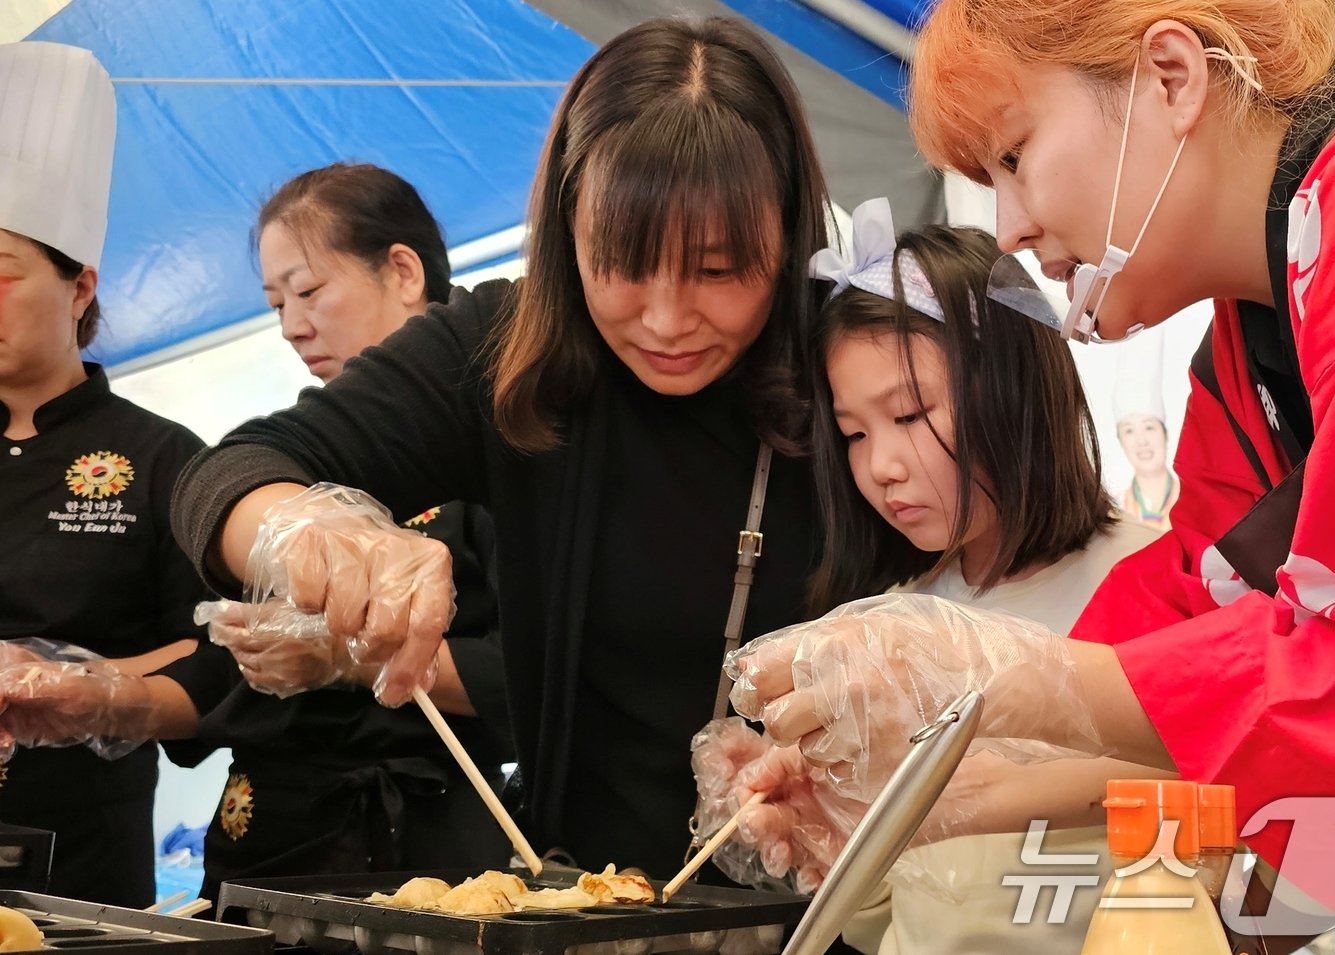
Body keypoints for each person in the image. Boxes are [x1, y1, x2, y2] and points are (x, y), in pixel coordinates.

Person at [724, 0, 1335, 943]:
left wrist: (999, 675)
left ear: (1172, 76)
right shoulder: (1243, 354)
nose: (1006, 229)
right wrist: (909, 787)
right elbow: (1197, 621)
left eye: (1013, 154)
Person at [166, 16, 831, 880]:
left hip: (831, 907)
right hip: (581, 900)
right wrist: (312, 531)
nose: (667, 319)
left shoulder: (852, 372)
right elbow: (226, 472)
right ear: (567, 230)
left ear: (786, 242)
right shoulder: (507, 349)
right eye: (622, 264)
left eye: (716, 269)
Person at [692, 202, 1165, 955]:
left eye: (909, 413)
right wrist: (825, 822)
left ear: (1013, 384)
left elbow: (1267, 843)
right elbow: (884, 916)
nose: (879, 465)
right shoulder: (888, 630)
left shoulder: (1160, 579)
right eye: (852, 432)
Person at [153, 162, 514, 896]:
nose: (291, 325)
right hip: (266, 838)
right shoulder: (290, 462)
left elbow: (530, 675)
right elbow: (211, 495)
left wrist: (347, 655)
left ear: (404, 271)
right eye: (276, 301)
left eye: (310, 290)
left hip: (429, 846)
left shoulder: (503, 441)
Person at [0, 41, 208, 907]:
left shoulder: (164, 458)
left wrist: (83, 689)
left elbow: (218, 655)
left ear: (80, 285)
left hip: (82, 869)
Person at [1111, 326, 1179, 528]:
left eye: (1149, 427)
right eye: (1129, 431)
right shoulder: (1115, 514)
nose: (1141, 441)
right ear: (1121, 442)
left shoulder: (1193, 502)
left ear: (1164, 434)